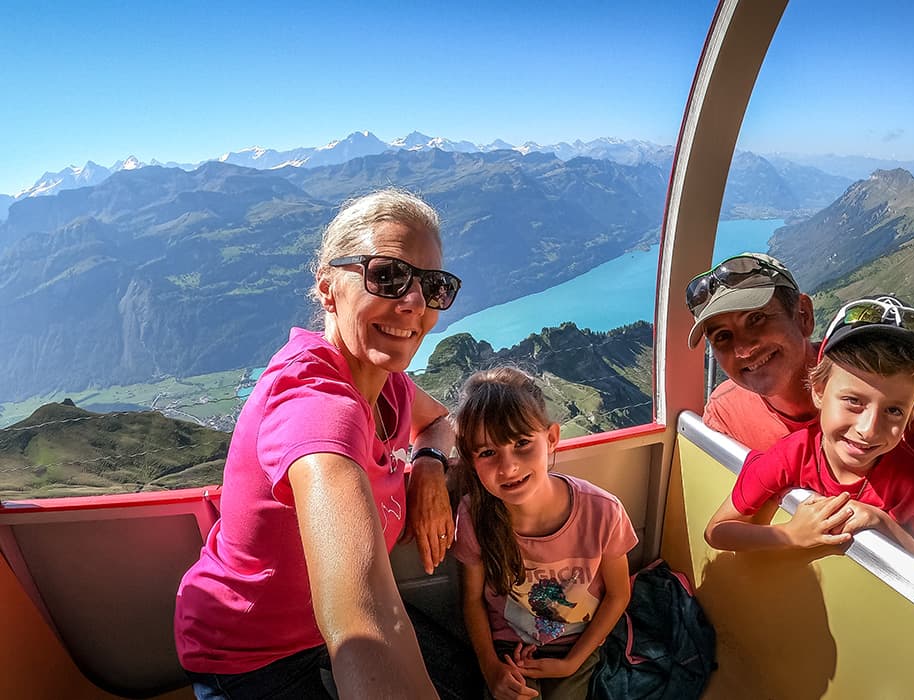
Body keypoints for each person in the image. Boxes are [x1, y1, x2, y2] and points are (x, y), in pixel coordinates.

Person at [174, 188, 462, 699]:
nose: (415, 301)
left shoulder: (386, 379)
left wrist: (431, 468)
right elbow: (363, 611)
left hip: (313, 634)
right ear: (328, 289)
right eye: (387, 275)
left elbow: (439, 421)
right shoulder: (313, 403)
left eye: (434, 286)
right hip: (251, 652)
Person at [686, 252, 914, 653]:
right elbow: (724, 526)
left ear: (803, 315)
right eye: (723, 338)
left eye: (758, 320)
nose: (745, 349)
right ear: (821, 393)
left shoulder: (903, 393)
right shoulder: (724, 416)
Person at [704, 296, 914, 570]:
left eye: (894, 411)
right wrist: (791, 534)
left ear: (913, 412)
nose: (868, 430)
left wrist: (882, 523)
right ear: (819, 392)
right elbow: (717, 531)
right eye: (854, 401)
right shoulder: (791, 454)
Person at [451, 367, 637, 700]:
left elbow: (618, 595)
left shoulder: (603, 512)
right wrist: (491, 667)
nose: (508, 468)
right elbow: (472, 601)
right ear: (471, 459)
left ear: (551, 438)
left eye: (522, 443)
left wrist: (571, 663)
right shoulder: (473, 517)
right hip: (507, 648)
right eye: (487, 452)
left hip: (577, 646)